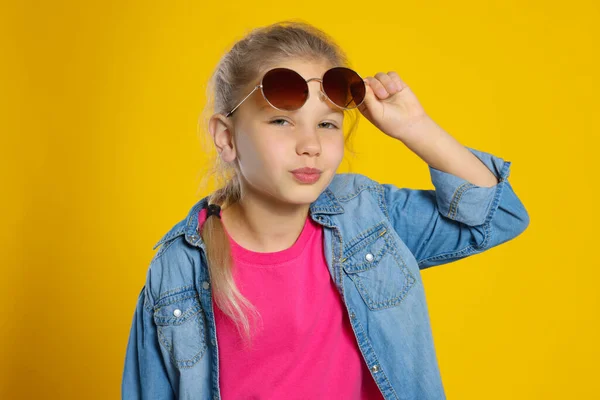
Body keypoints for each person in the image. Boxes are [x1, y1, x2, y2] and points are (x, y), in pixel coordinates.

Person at [121, 20, 529, 400]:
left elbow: (498, 215)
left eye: (328, 124)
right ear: (226, 138)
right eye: (282, 122)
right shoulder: (179, 269)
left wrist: (414, 127)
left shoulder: (368, 218)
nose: (310, 144)